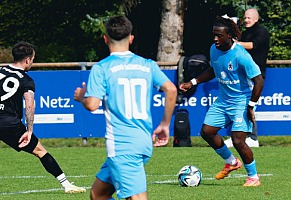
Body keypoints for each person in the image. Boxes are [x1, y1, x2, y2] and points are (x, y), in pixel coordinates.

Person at [74, 15, 177, 200]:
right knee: (98, 194)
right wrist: (165, 124)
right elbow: (171, 89)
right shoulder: (148, 65)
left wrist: (82, 98)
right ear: (131, 38)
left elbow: (92, 105)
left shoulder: (102, 68)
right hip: (143, 142)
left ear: (106, 39)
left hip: (123, 146)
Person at [179, 16, 264, 186]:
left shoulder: (241, 55)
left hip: (241, 100)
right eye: (214, 35)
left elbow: (259, 80)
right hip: (223, 100)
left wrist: (251, 106)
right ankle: (232, 162)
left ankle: (253, 177)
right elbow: (214, 69)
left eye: (219, 35)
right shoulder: (214, 49)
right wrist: (193, 82)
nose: (215, 39)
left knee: (238, 140)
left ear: (230, 35)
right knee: (206, 132)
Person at [0, 41, 86, 193]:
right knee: (40, 151)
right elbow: (30, 104)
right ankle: (66, 184)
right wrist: (29, 130)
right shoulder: (26, 80)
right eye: (33, 58)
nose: (32, 62)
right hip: (9, 123)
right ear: (27, 59)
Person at [224, 8, 270, 148]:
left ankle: (252, 137)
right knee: (239, 105)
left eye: (249, 18)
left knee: (249, 107)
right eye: (245, 18)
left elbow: (252, 46)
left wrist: (232, 42)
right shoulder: (244, 32)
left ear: (256, 19)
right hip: (242, 74)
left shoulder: (262, 32)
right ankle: (240, 136)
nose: (246, 20)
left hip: (255, 76)